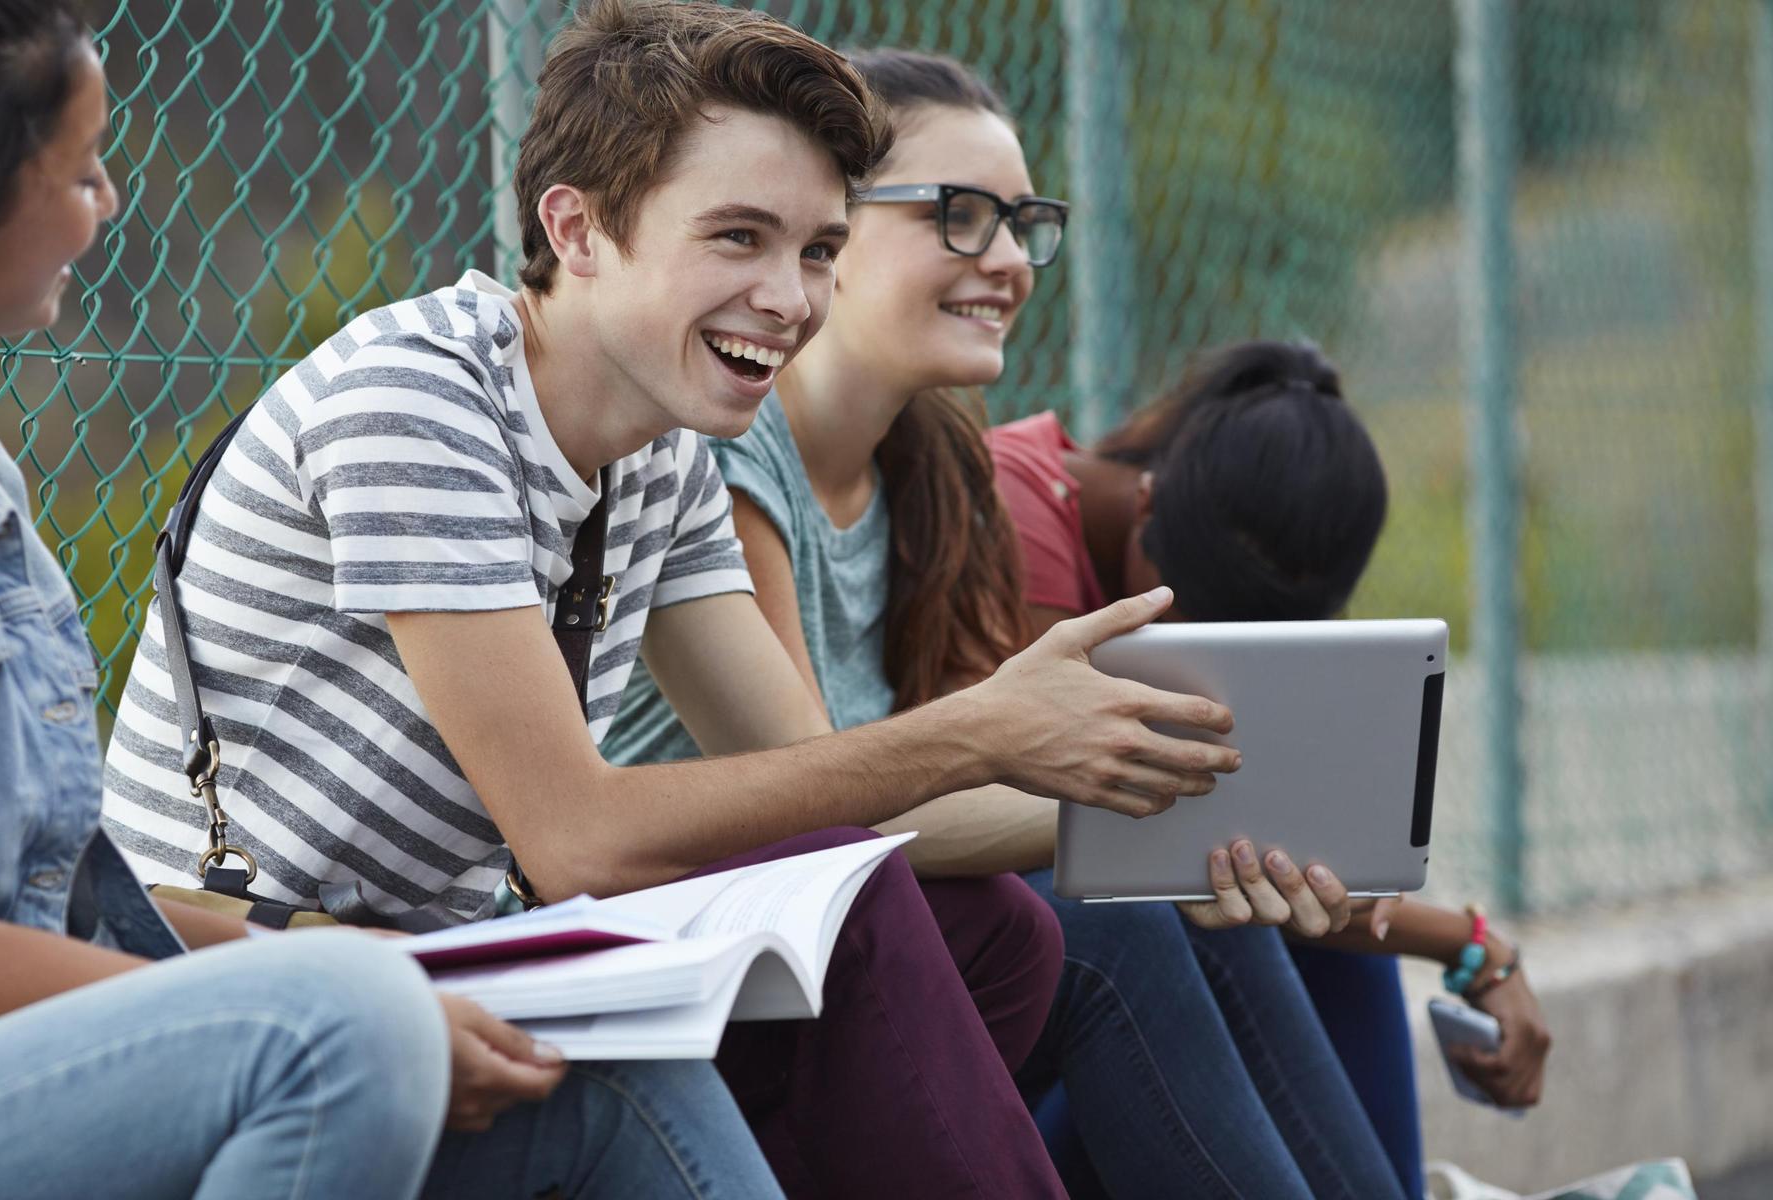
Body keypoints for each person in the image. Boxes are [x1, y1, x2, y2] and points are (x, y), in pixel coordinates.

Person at [99, 2, 1252, 1195]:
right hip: (251, 980)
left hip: (450, 963)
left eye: (814, 249)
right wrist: (976, 730)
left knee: (999, 940)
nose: (790, 297)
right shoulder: (418, 403)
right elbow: (576, 835)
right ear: (578, 228)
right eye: (738, 237)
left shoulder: (657, 455)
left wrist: (1167, 811)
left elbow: (817, 797)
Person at [0, 3, 784, 1197]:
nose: (105, 200)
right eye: (79, 171)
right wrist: (345, 995)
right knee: (355, 1026)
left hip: (53, 1043)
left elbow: (66, 900)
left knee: (608, 1066)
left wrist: (397, 977)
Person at [598, 49, 1475, 1200]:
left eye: (1021, 222)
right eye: (959, 217)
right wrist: (1137, 812)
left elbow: (968, 799)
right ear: (829, 229)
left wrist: (1190, 823)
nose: (1007, 261)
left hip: (887, 967)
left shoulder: (935, 459)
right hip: (722, 974)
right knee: (1118, 926)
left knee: (1200, 908)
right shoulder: (724, 450)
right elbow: (818, 806)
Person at [989, 340, 1555, 1196]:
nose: (1194, 649)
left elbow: (1249, 847)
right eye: (1189, 617)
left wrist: (1476, 948)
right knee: (1212, 917)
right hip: (1027, 1002)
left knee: (1308, 911)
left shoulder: (1199, 522)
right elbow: (1127, 850)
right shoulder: (1020, 515)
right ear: (1148, 505)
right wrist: (1468, 945)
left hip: (1119, 982)